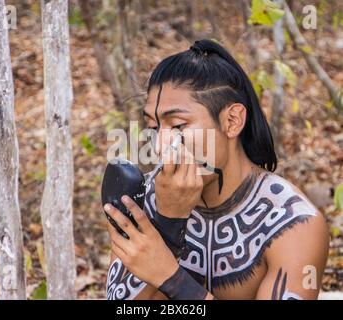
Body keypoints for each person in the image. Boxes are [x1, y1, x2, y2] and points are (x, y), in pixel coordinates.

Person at [103, 39, 329, 300]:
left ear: (232, 121)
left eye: (178, 126)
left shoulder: (292, 223)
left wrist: (171, 277)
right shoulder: (145, 201)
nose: (160, 147)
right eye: (155, 128)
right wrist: (167, 225)